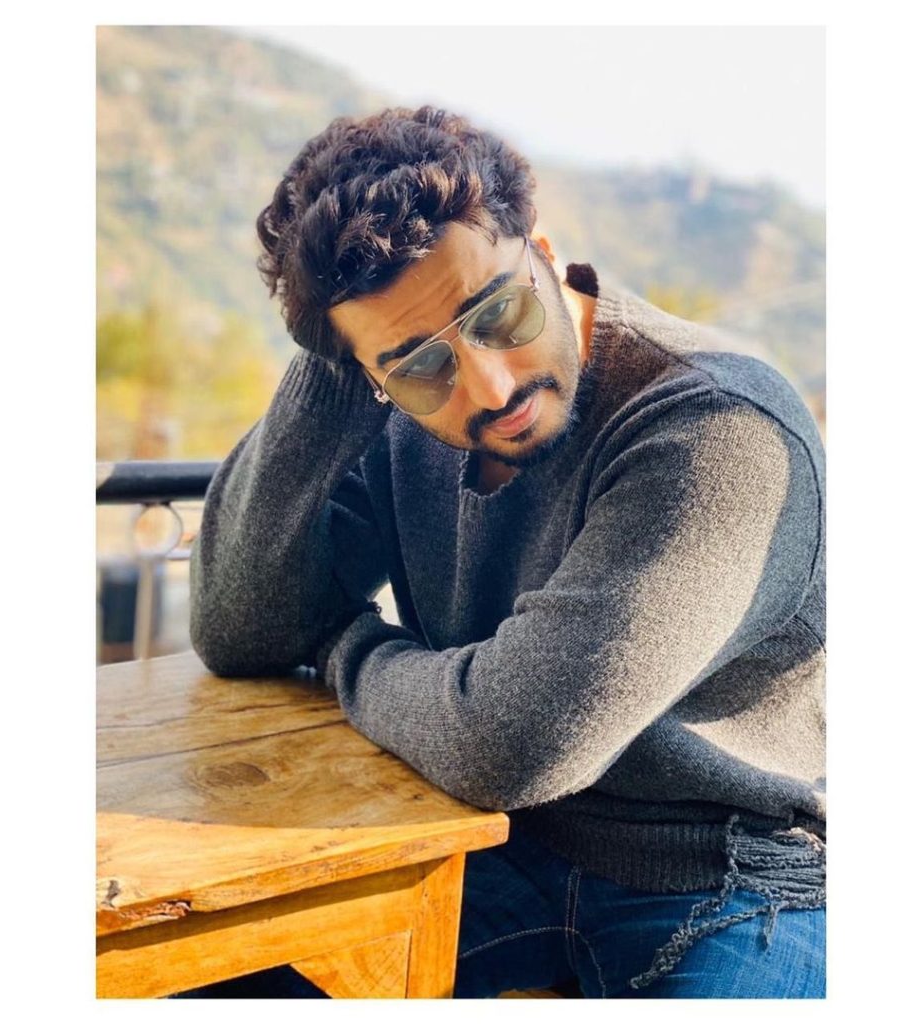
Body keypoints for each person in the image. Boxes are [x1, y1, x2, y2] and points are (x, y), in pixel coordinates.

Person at [185, 105, 826, 999]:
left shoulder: (717, 427)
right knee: (197, 974)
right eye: (420, 365)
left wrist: (344, 649)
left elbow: (512, 744)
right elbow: (238, 626)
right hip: (486, 843)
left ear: (545, 255)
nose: (489, 386)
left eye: (497, 312)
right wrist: (340, 369)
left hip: (726, 874)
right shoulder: (405, 417)